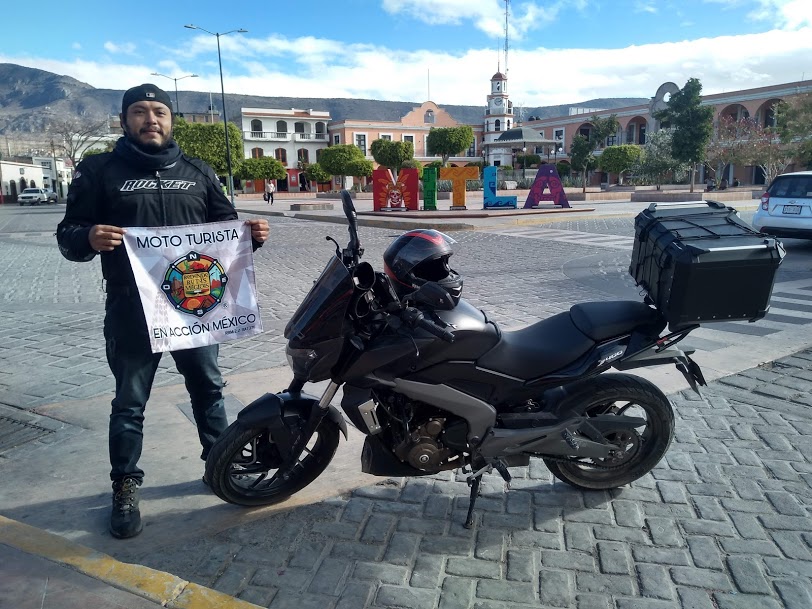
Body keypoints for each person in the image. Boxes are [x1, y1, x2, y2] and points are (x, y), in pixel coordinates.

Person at [56, 84, 270, 539]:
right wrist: (88, 237)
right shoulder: (99, 171)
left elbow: (226, 232)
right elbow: (68, 233)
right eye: (140, 111)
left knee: (209, 390)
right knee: (130, 404)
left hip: (193, 309)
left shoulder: (197, 172)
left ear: (172, 121)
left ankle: (220, 464)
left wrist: (252, 236)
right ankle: (125, 486)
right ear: (124, 120)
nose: (150, 119)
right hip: (132, 311)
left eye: (159, 112)